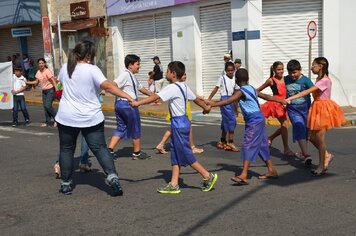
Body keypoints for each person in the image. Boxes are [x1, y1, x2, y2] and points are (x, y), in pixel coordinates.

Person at [55, 40, 134, 196]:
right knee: (100, 149)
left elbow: (60, 85)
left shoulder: (65, 68)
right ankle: (113, 179)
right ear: (89, 56)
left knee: (66, 150)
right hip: (90, 117)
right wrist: (127, 96)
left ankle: (65, 184)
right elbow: (108, 86)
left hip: (66, 117)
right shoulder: (92, 69)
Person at [131, 61, 217, 194]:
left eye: (167, 71)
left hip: (178, 124)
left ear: (173, 74)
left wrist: (138, 103)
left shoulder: (172, 87)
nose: (165, 73)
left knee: (186, 154)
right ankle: (174, 183)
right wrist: (205, 107)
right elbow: (195, 99)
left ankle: (207, 176)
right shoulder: (183, 86)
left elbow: (155, 97)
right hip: (183, 122)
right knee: (176, 154)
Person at [208, 68, 279, 185]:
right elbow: (267, 97)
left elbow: (227, 101)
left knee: (248, 144)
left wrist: (213, 104)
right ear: (248, 79)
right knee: (261, 145)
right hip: (259, 118)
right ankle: (271, 170)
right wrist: (282, 101)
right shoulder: (251, 89)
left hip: (254, 121)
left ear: (236, 80)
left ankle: (244, 175)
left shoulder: (241, 92)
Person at [286, 57, 345, 176]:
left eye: (313, 65)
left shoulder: (324, 80)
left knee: (320, 139)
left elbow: (306, 92)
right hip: (317, 107)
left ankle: (321, 166)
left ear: (320, 66)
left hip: (323, 109)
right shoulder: (319, 78)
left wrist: (289, 98)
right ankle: (327, 156)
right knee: (312, 137)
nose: (312, 67)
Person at [107, 54, 154, 160]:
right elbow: (113, 85)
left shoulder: (131, 76)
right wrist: (126, 97)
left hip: (120, 104)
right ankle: (137, 152)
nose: (139, 66)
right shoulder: (125, 75)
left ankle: (109, 150)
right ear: (130, 65)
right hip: (128, 105)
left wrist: (152, 95)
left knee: (121, 127)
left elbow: (140, 88)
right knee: (135, 127)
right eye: (138, 64)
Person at [156, 73, 204, 154]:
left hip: (182, 110)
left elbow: (193, 96)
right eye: (182, 75)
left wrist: (204, 100)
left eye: (185, 74)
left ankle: (161, 144)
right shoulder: (176, 87)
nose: (185, 76)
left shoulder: (183, 86)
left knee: (173, 127)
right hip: (180, 111)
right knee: (188, 127)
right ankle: (191, 147)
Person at [257, 61, 294, 156]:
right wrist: (267, 97)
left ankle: (271, 138)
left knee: (285, 125)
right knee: (285, 124)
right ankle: (286, 149)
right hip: (276, 104)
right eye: (278, 69)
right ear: (274, 70)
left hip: (286, 103)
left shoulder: (286, 79)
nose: (281, 71)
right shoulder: (271, 80)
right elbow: (257, 91)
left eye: (282, 69)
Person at [284, 59, 313, 163]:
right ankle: (306, 154)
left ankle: (302, 152)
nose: (293, 75)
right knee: (299, 126)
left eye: (295, 72)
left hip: (305, 109)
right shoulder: (285, 79)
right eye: (290, 73)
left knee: (306, 131)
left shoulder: (306, 80)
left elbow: (314, 91)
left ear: (300, 70)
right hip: (293, 110)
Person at [208, 61, 239, 152]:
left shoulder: (235, 79)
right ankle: (230, 142)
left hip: (232, 99)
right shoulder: (222, 78)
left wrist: (236, 107)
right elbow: (216, 88)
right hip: (225, 100)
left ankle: (222, 140)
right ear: (225, 70)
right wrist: (209, 99)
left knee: (226, 121)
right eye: (228, 70)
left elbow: (236, 91)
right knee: (231, 121)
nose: (230, 72)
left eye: (232, 70)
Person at [26, 58, 58, 127]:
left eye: (42, 63)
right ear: (38, 64)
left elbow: (52, 80)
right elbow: (36, 81)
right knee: (45, 107)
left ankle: (57, 119)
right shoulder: (38, 72)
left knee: (48, 105)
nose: (41, 64)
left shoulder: (47, 71)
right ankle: (48, 122)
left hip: (50, 90)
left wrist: (56, 89)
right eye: (40, 63)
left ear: (44, 64)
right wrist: (28, 82)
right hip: (44, 91)